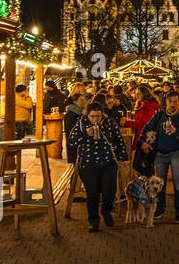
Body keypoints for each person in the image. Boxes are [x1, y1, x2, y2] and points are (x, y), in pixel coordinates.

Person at [67, 101, 128, 232]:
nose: (96, 119)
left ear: (102, 114)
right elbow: (71, 141)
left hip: (108, 162)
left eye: (99, 116)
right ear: (87, 114)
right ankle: (93, 220)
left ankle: (106, 210)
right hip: (88, 163)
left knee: (109, 190)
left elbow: (119, 140)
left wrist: (123, 158)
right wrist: (84, 134)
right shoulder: (81, 123)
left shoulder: (109, 122)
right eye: (93, 116)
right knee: (92, 193)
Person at [146, 90, 179, 222]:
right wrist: (149, 137)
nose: (173, 104)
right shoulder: (160, 114)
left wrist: (177, 131)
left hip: (176, 153)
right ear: (166, 102)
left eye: (175, 101)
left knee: (177, 183)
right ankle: (160, 208)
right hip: (160, 154)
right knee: (159, 184)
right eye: (170, 101)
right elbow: (148, 127)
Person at [122, 85, 163, 178]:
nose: (136, 96)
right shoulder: (146, 105)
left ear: (144, 95)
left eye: (138, 94)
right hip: (147, 138)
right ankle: (150, 184)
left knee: (138, 165)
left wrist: (126, 123)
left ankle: (150, 182)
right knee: (146, 164)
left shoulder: (148, 108)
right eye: (136, 94)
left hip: (145, 139)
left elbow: (142, 125)